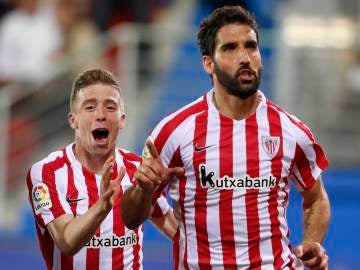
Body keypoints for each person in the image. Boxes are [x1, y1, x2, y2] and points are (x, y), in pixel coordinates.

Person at [121, 6, 330, 270]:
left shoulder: (292, 131)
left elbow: (317, 198)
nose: (245, 57)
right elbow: (130, 218)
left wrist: (312, 242)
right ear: (208, 63)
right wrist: (143, 190)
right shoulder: (173, 132)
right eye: (230, 48)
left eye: (251, 46)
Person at [26, 68, 178, 269]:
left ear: (122, 119)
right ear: (74, 120)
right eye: (89, 108)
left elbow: (174, 229)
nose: (100, 115)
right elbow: (66, 241)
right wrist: (102, 205)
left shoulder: (136, 169)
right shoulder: (47, 173)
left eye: (110, 107)